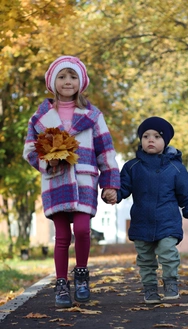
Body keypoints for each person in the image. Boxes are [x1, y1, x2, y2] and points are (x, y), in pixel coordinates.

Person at [23, 55, 120, 308]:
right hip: (56, 182)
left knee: (83, 229)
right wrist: (47, 162)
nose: (68, 82)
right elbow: (30, 150)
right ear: (52, 82)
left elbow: (106, 151)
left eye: (73, 76)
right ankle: (61, 284)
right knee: (62, 235)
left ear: (81, 82)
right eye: (62, 77)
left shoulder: (92, 116)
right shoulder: (41, 117)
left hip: (85, 180)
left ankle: (81, 275)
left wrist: (110, 184)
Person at [104, 116, 188, 304]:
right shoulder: (132, 167)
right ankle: (150, 289)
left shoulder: (176, 168)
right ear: (140, 140)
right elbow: (123, 188)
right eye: (146, 136)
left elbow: (186, 193)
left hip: (168, 220)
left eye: (157, 136)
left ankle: (171, 282)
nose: (150, 139)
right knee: (145, 258)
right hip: (141, 221)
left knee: (167, 252)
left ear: (165, 141)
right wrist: (113, 195)